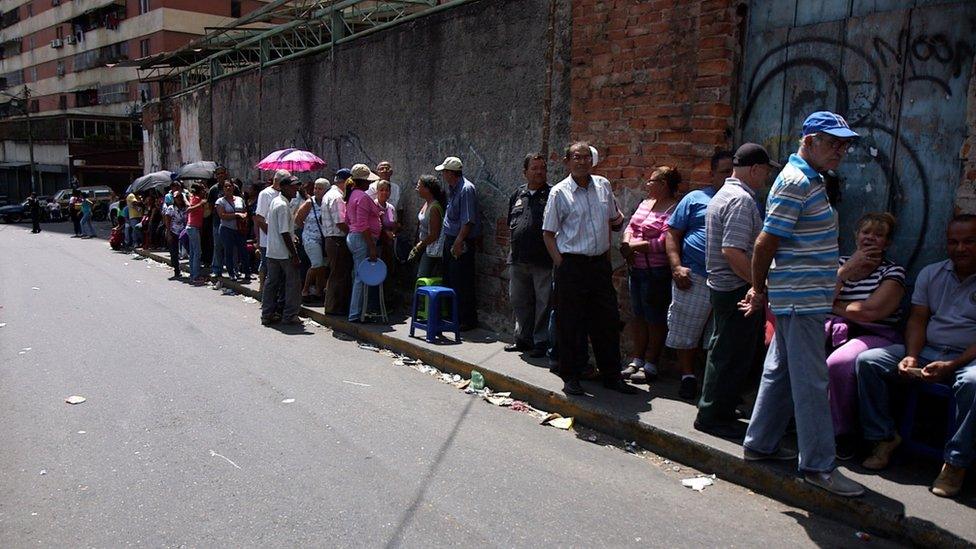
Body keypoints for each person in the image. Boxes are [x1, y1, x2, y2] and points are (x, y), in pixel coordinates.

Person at [740, 111, 864, 497]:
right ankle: (819, 466)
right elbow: (765, 242)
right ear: (808, 140)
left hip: (802, 296)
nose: (839, 150)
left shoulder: (811, 179)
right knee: (812, 381)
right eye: (832, 142)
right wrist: (758, 290)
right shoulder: (797, 181)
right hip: (800, 300)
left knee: (779, 372)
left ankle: (759, 444)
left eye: (844, 144)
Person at [856, 215, 976, 498]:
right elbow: (918, 320)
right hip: (929, 351)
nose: (960, 248)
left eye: (969, 241)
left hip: (967, 358)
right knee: (868, 361)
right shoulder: (932, 273)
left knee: (973, 383)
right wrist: (911, 356)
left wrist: (953, 365)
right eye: (953, 242)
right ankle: (883, 437)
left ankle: (955, 463)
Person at [693, 144, 778, 438]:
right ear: (754, 169)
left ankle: (718, 410)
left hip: (726, 286)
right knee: (730, 353)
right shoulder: (740, 200)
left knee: (727, 351)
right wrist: (757, 285)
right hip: (735, 288)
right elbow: (732, 251)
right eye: (766, 171)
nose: (766, 178)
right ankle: (713, 415)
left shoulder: (725, 195)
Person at [542, 141, 637, 396]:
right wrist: (561, 264)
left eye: (586, 157)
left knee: (606, 321)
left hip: (599, 266)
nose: (582, 161)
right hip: (572, 265)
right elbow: (548, 234)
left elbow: (614, 220)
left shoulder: (603, 186)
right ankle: (571, 375)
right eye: (576, 157)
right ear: (567, 161)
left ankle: (612, 376)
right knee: (570, 323)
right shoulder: (559, 193)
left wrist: (615, 235)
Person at [827, 212, 905, 460]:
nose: (871, 238)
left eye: (879, 235)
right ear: (856, 236)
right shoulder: (839, 264)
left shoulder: (893, 273)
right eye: (866, 232)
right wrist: (845, 272)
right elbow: (814, 299)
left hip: (877, 334)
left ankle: (843, 433)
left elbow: (871, 312)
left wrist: (834, 304)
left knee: (839, 363)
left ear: (887, 243)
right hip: (838, 328)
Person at [665, 150, 734, 400]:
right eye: (725, 171)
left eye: (733, 171)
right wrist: (676, 267)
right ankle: (687, 377)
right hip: (693, 276)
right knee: (686, 331)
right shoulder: (695, 198)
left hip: (729, 280)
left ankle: (712, 383)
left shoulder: (746, 200)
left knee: (719, 336)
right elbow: (672, 233)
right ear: (712, 173)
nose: (729, 177)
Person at [620, 166, 680, 383]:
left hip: (656, 272)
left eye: (652, 181)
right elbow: (630, 226)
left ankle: (651, 363)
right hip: (636, 269)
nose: (647, 185)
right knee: (638, 315)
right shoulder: (645, 204)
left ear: (663, 184)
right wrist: (627, 241)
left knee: (655, 317)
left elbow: (663, 242)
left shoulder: (673, 208)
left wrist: (634, 247)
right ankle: (637, 359)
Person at [504, 153, 553, 358]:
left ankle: (541, 341)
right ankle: (523, 338)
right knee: (519, 300)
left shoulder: (552, 194)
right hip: (518, 258)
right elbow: (510, 224)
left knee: (544, 302)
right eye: (535, 168)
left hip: (543, 259)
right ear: (525, 172)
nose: (539, 172)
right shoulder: (518, 194)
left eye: (542, 168)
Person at [436, 156, 480, 330]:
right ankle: (452, 315)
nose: (443, 176)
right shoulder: (452, 188)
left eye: (445, 172)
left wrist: (459, 241)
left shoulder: (466, 189)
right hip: (450, 238)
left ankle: (466, 319)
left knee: (462, 280)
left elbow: (468, 220)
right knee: (449, 278)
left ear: (450, 173)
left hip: (460, 239)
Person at [261, 175, 303, 326]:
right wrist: (294, 254)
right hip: (284, 253)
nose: (296, 190)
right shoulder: (283, 206)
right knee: (293, 284)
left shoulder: (276, 202)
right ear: (284, 187)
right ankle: (290, 315)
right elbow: (284, 232)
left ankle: (267, 314)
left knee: (272, 282)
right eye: (293, 187)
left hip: (273, 250)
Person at [345, 164, 381, 322]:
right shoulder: (362, 197)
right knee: (361, 276)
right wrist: (372, 247)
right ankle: (355, 314)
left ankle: (357, 310)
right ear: (363, 181)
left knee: (357, 274)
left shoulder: (353, 195)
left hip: (354, 237)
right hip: (361, 238)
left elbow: (348, 220)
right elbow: (362, 224)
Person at [323, 168, 352, 315]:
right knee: (339, 274)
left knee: (336, 273)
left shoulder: (330, 194)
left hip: (331, 239)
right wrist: (353, 232)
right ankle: (335, 308)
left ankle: (333, 306)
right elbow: (340, 222)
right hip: (337, 239)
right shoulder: (337, 197)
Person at [296, 178, 329, 304]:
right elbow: (298, 219)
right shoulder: (310, 202)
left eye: (320, 188)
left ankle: (319, 291)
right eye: (315, 188)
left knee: (321, 266)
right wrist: (307, 230)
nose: (316, 191)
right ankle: (304, 290)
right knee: (317, 263)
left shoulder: (327, 201)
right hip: (310, 237)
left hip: (323, 238)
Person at [215, 180, 252, 282]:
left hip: (240, 229)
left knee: (243, 251)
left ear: (233, 187)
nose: (228, 188)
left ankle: (247, 273)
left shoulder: (240, 199)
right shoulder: (220, 201)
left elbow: (245, 211)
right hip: (227, 229)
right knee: (229, 251)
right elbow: (222, 215)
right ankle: (231, 273)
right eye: (226, 187)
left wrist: (244, 216)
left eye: (230, 186)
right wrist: (236, 215)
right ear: (223, 189)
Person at [411, 175, 446, 278]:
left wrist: (420, 245)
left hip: (431, 248)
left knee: (422, 276)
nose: (417, 189)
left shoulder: (434, 208)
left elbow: (434, 234)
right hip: (424, 246)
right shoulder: (426, 203)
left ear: (427, 189)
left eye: (419, 186)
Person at [255, 171, 283, 293]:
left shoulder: (285, 194)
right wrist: (270, 234)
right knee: (266, 264)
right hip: (267, 237)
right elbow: (260, 217)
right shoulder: (265, 194)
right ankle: (262, 289)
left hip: (281, 236)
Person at [185, 184, 207, 284]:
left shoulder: (195, 198)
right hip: (192, 227)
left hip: (193, 227)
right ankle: (195, 276)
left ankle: (193, 274)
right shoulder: (196, 199)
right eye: (203, 190)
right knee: (197, 252)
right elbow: (190, 209)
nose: (204, 192)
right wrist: (201, 203)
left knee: (193, 252)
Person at [163, 191, 188, 279]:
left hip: (184, 232)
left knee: (188, 249)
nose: (179, 199)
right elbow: (167, 220)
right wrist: (168, 232)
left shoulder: (185, 207)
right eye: (176, 197)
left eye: (180, 197)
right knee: (174, 252)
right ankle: (176, 270)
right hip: (173, 231)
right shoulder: (171, 208)